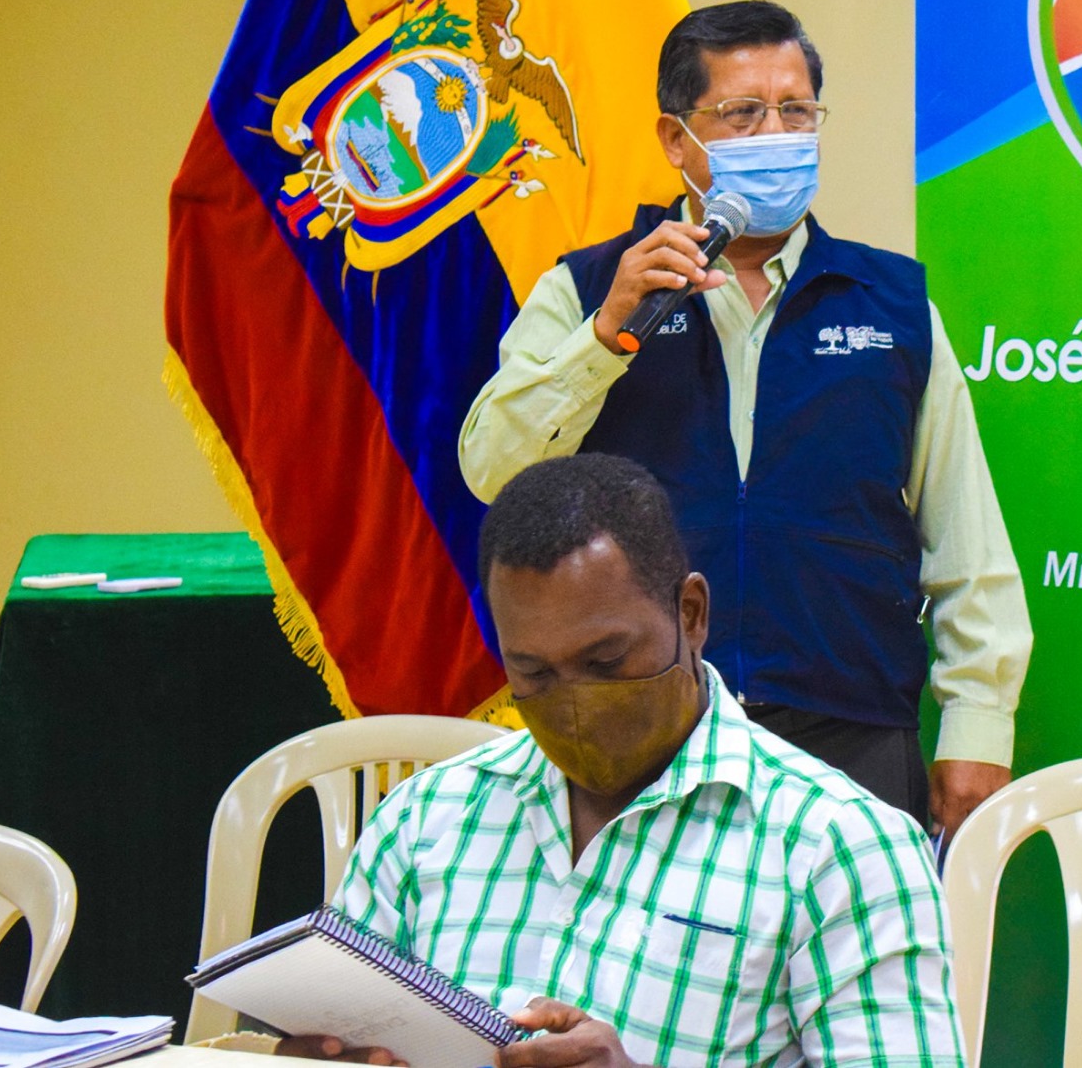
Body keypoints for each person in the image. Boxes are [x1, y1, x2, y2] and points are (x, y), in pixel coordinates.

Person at [459, 0, 1029, 838]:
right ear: (676, 138)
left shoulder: (892, 304)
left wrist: (979, 722)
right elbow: (492, 471)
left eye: (796, 111)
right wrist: (605, 337)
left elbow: (965, 539)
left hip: (853, 730)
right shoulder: (589, 289)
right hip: (643, 732)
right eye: (743, 113)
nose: (776, 134)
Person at [284, 454, 963, 1068]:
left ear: (691, 614)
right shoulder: (424, 819)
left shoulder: (839, 848)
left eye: (607, 661)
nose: (575, 704)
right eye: (535, 673)